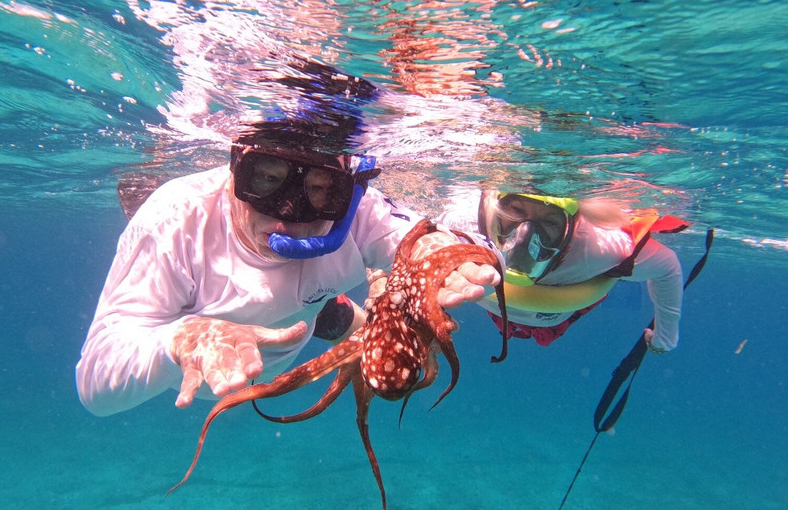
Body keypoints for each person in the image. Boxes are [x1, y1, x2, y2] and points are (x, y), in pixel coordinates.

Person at [76, 84, 501, 417]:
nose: (288, 217)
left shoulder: (362, 214)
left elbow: (454, 245)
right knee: (317, 310)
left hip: (301, 316)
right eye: (264, 179)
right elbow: (95, 381)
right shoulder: (173, 223)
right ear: (235, 169)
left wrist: (440, 250)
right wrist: (181, 338)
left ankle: (334, 302)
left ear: (347, 193)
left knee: (313, 313)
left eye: (319, 190)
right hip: (212, 327)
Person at [437, 190, 687, 351]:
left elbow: (668, 267)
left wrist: (665, 339)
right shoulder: (461, 226)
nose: (524, 236)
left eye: (549, 222)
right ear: (493, 210)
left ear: (572, 231)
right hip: (510, 307)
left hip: (561, 311)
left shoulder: (598, 248)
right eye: (515, 211)